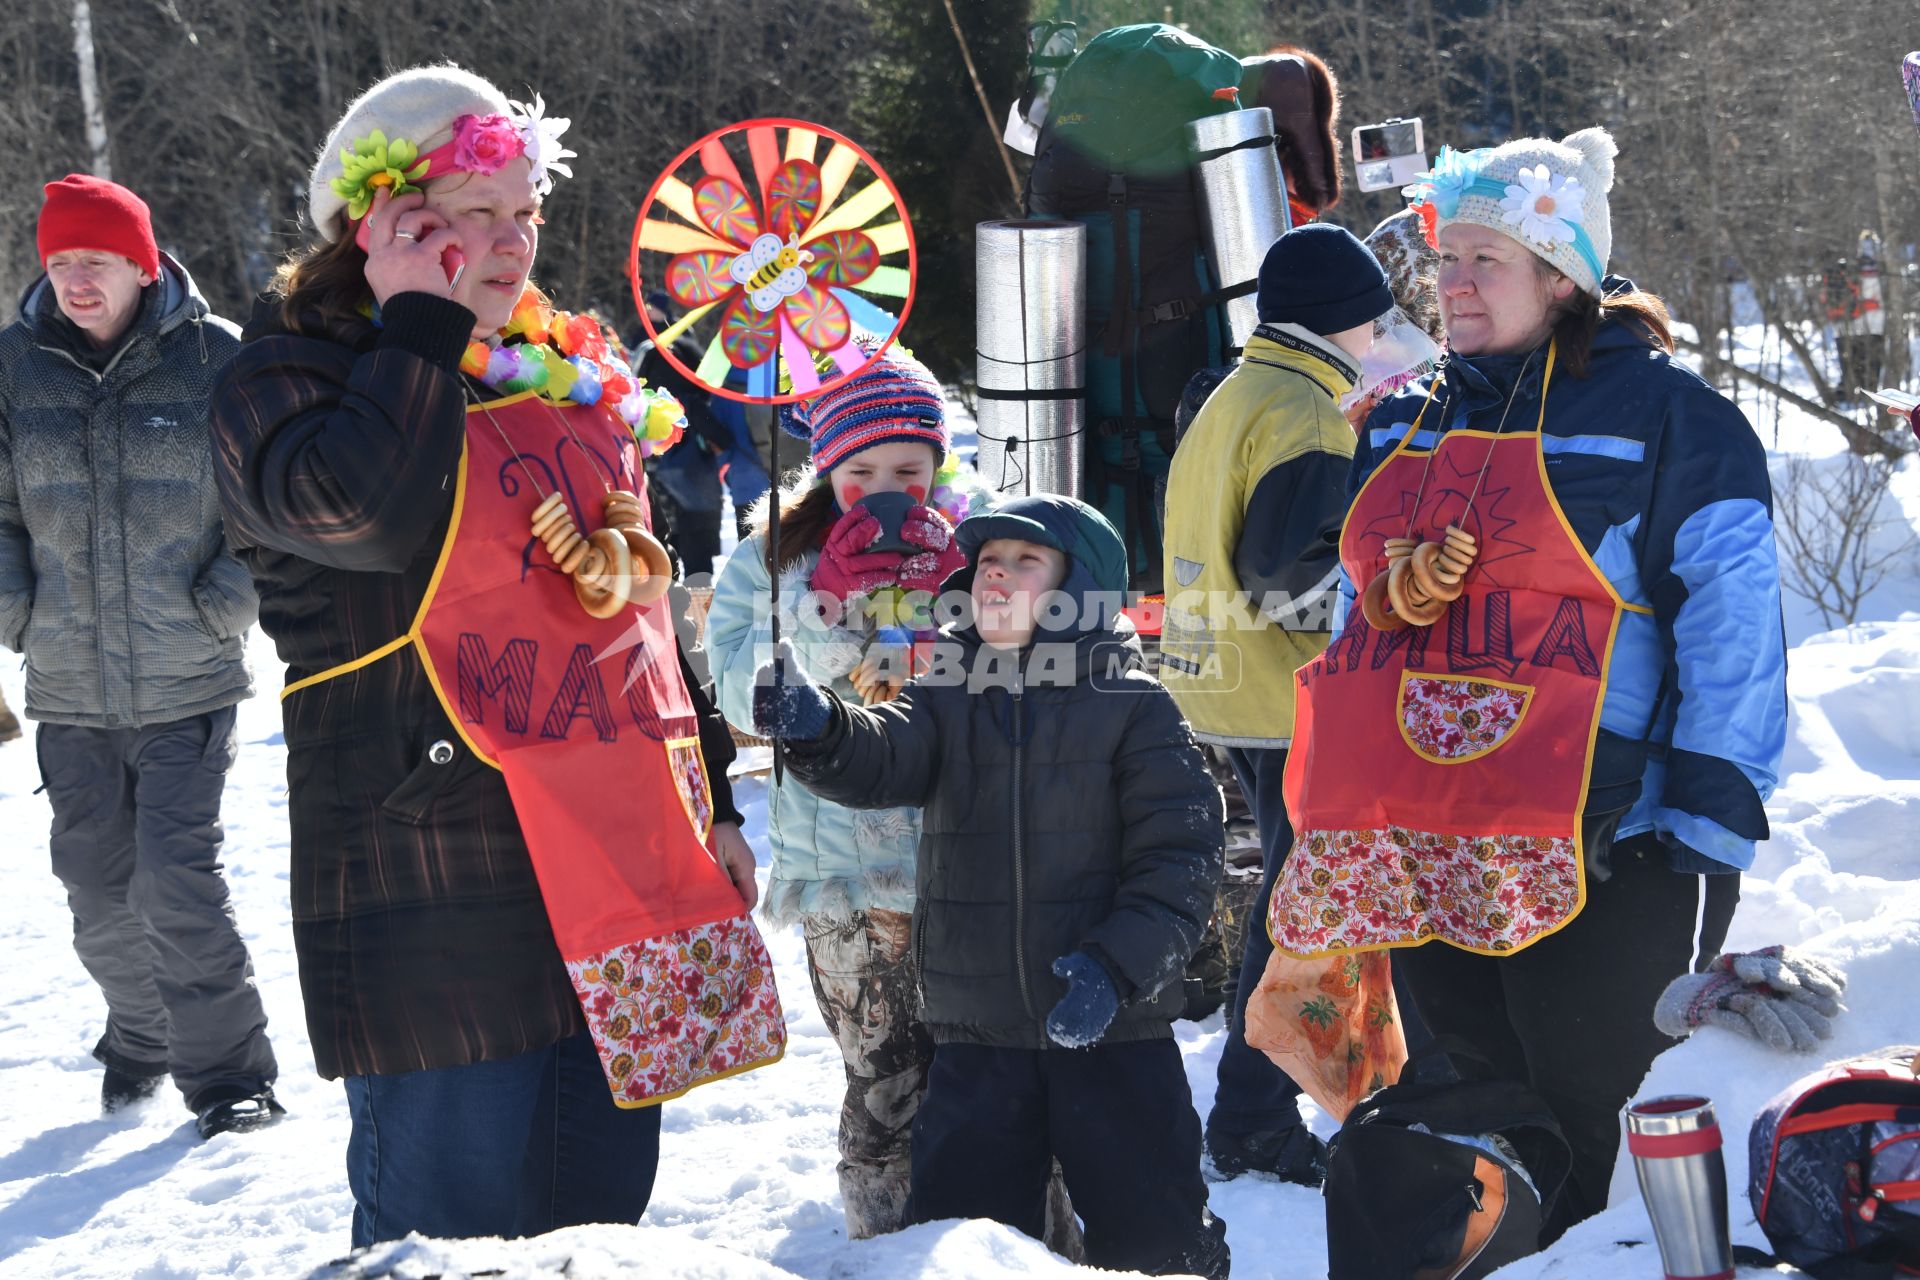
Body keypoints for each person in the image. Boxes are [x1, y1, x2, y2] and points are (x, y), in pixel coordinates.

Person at [208, 66, 781, 1246]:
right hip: (438, 883)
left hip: (614, 870)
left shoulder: (564, 371)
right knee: (447, 1236)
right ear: (380, 218)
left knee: (596, 1225)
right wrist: (417, 319)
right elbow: (364, 513)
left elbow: (639, 608)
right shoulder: (282, 373)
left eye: (524, 212)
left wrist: (712, 793)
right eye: (474, 211)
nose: (513, 242)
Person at [1273, 127, 1786, 1241]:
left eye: (1484, 261)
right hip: (1432, 837)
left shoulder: (1671, 419)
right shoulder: (1407, 417)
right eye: (1444, 256)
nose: (1450, 282)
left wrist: (1702, 816)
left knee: (1607, 1123)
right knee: (1475, 1128)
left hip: (1616, 846)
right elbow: (1361, 615)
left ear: (1562, 278)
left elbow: (1734, 625)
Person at [753, 494, 1231, 1280]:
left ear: (1082, 590)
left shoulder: (1133, 707)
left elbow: (1181, 859)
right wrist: (821, 726)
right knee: (966, 1243)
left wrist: (1113, 970)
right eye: (987, 563)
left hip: (1113, 1034)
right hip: (977, 1036)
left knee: (1155, 1243)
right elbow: (887, 755)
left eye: (1025, 562)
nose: (996, 577)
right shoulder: (948, 691)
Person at [0, 174, 280, 1137]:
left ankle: (230, 1078)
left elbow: (265, 514)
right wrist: (16, 609)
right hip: (67, 682)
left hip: (186, 676)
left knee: (174, 880)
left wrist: (222, 605)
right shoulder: (15, 367)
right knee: (95, 893)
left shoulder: (216, 360)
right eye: (60, 262)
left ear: (141, 263)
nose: (77, 281)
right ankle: (141, 1032)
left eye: (97, 261)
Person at [706, 350, 969, 1239]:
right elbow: (745, 693)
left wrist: (947, 630)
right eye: (861, 471)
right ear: (827, 467)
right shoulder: (772, 558)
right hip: (846, 876)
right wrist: (825, 615)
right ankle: (887, 1242)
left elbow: (1010, 678)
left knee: (985, 1069)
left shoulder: (969, 546)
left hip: (960, 858)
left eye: (908, 469)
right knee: (886, 1071)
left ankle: (1003, 1238)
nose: (886, 486)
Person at [1161, 224, 1397, 1184]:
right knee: (1301, 906)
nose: (1384, 336)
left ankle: (1295, 1096)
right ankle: (1252, 1115)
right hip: (1287, 691)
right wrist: (1383, 602)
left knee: (1292, 897)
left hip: (1226, 681)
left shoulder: (1239, 389)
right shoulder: (1308, 410)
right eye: (1376, 319)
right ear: (1347, 320)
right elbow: (1280, 575)